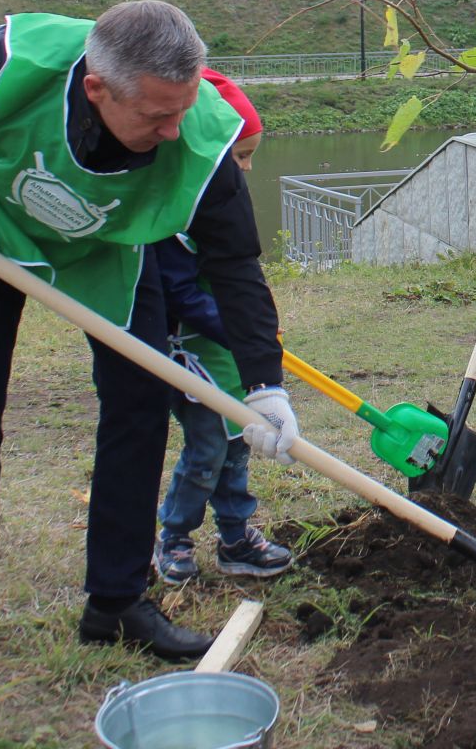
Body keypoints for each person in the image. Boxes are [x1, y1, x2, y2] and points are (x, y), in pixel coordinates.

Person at [0, 2, 301, 682]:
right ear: (96, 88)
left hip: (110, 246)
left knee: (139, 403)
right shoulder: (9, 62)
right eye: (154, 116)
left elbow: (232, 265)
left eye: (183, 109)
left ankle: (116, 601)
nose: (175, 130)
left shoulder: (199, 134)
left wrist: (264, 384)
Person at [151, 71, 293, 585]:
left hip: (226, 353)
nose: (247, 168)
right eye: (240, 156)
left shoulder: (222, 206)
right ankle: (175, 536)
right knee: (208, 446)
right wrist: (233, 332)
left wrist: (256, 344)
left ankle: (236, 536)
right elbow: (181, 294)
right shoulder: (170, 214)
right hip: (188, 352)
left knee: (237, 443)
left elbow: (240, 275)